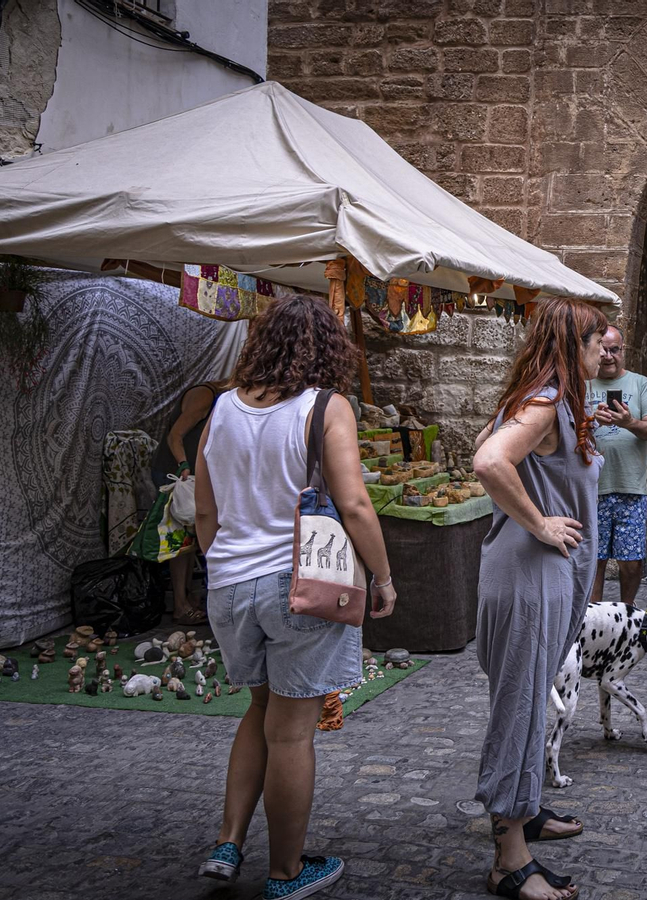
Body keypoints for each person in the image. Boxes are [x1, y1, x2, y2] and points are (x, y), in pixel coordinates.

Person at [192, 294, 397, 900]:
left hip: (228, 583)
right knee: (290, 731)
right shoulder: (326, 407)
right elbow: (354, 504)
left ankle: (229, 842)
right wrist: (382, 579)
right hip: (299, 585)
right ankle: (284, 873)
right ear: (328, 348)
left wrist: (225, 562)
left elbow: (205, 508)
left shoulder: (222, 408)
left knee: (259, 711)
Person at [471, 297, 605, 900]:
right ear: (568, 347)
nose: (605, 349)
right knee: (520, 708)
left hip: (538, 579)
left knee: (528, 702)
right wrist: (541, 522)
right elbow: (488, 457)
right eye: (596, 340)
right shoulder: (546, 402)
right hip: (528, 576)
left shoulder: (548, 401)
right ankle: (509, 860)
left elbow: (488, 435)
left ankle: (524, 812)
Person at [585, 325, 647, 606]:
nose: (608, 356)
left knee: (630, 562)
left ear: (623, 351)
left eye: (614, 349)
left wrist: (628, 422)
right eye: (602, 348)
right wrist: (591, 421)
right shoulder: (583, 384)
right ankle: (594, 621)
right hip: (592, 489)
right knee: (595, 561)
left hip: (631, 488)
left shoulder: (640, 384)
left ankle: (626, 614)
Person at [151, 379, 228, 625]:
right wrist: (183, 464)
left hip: (193, 474)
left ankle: (187, 597)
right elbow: (176, 435)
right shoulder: (205, 396)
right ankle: (180, 606)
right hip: (176, 473)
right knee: (180, 540)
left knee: (190, 539)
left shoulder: (219, 397)